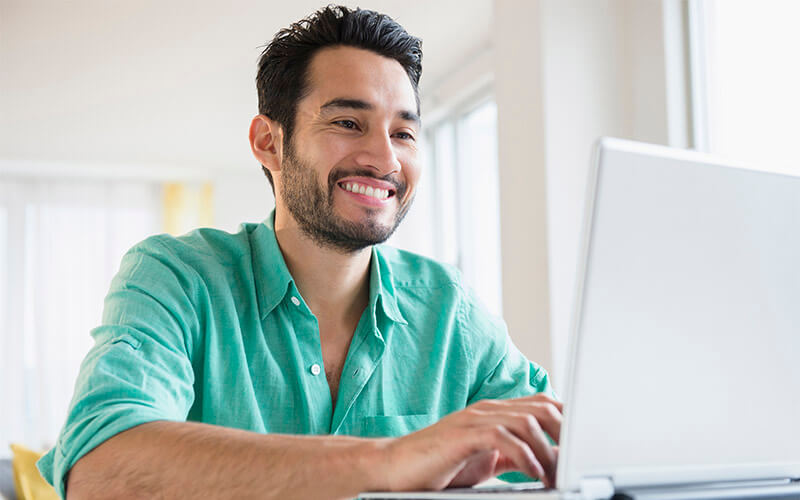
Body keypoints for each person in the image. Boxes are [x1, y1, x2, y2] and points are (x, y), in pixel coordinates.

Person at [38, 5, 562, 499]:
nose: (384, 158)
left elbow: (568, 451)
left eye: (403, 132)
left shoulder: (453, 311)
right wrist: (391, 461)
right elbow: (99, 468)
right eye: (347, 123)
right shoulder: (176, 277)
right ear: (269, 142)